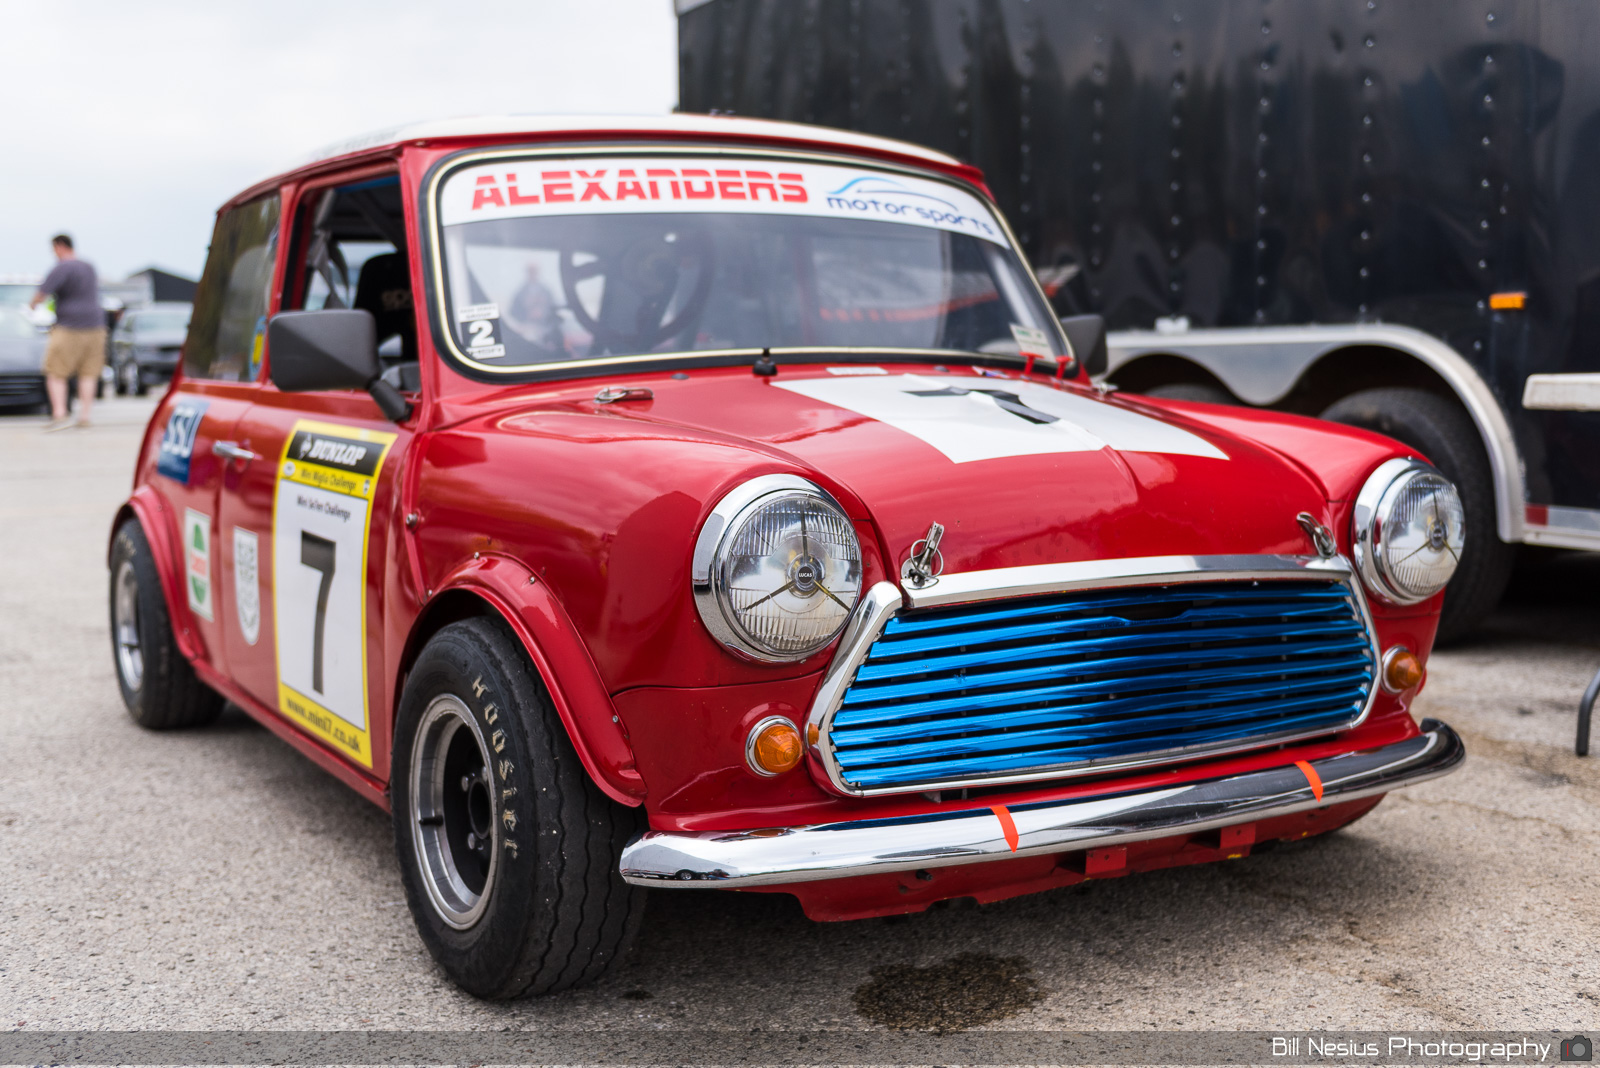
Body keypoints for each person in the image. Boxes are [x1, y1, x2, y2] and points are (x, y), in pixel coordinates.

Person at [30, 234, 104, 431]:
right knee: (88, 373)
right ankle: (84, 417)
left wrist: (32, 305)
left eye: (53, 249)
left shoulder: (62, 267)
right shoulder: (89, 266)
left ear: (60, 246)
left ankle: (60, 415)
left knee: (55, 372)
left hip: (69, 326)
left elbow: (42, 294)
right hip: (96, 326)